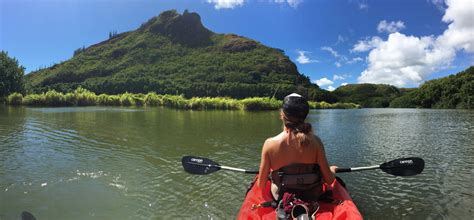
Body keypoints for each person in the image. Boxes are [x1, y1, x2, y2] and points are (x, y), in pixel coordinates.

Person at [257, 93, 337, 201]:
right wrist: (332, 170)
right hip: (312, 197)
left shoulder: (269, 144)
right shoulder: (316, 142)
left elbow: (261, 185)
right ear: (305, 116)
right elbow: (329, 180)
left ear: (282, 115)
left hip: (281, 198)